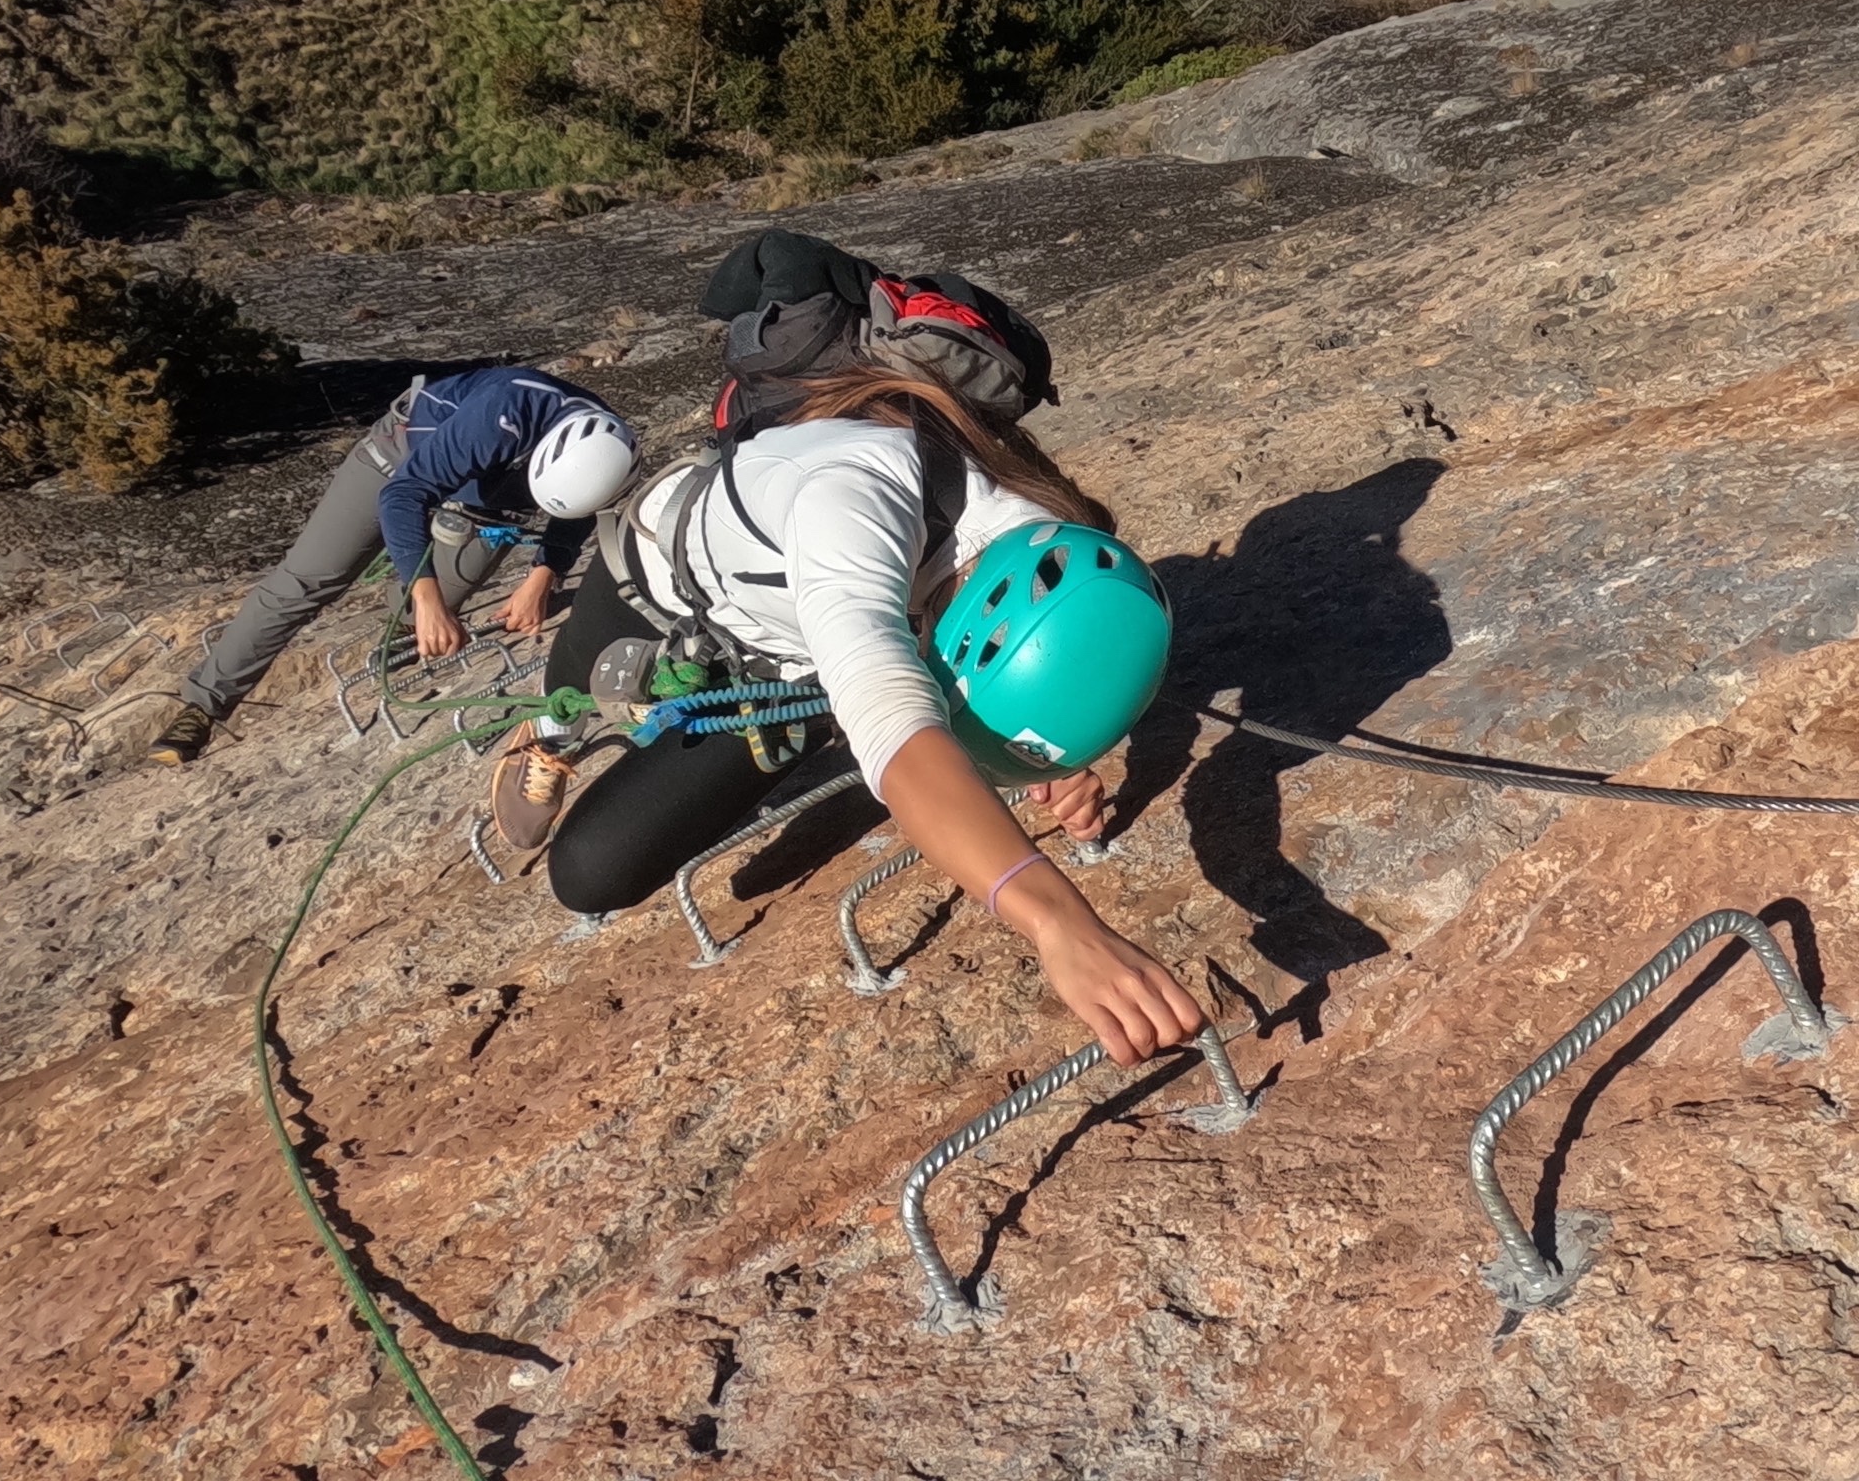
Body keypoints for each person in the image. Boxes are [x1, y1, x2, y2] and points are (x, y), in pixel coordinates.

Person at [493, 325, 1201, 1066]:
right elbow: (896, 723)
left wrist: (1035, 757)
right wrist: (1060, 923)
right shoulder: (855, 499)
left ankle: (809, 706)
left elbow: (1033, 656)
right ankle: (546, 737)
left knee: (592, 873)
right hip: (653, 588)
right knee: (570, 697)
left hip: (795, 657)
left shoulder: (1046, 538)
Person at [149, 368, 638, 766]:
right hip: (397, 462)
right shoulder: (506, 412)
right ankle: (203, 705)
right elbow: (406, 493)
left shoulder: (611, 454)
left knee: (444, 596)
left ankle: (400, 631)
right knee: (309, 579)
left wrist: (543, 574)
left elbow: (582, 513)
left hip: (489, 500)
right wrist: (425, 597)